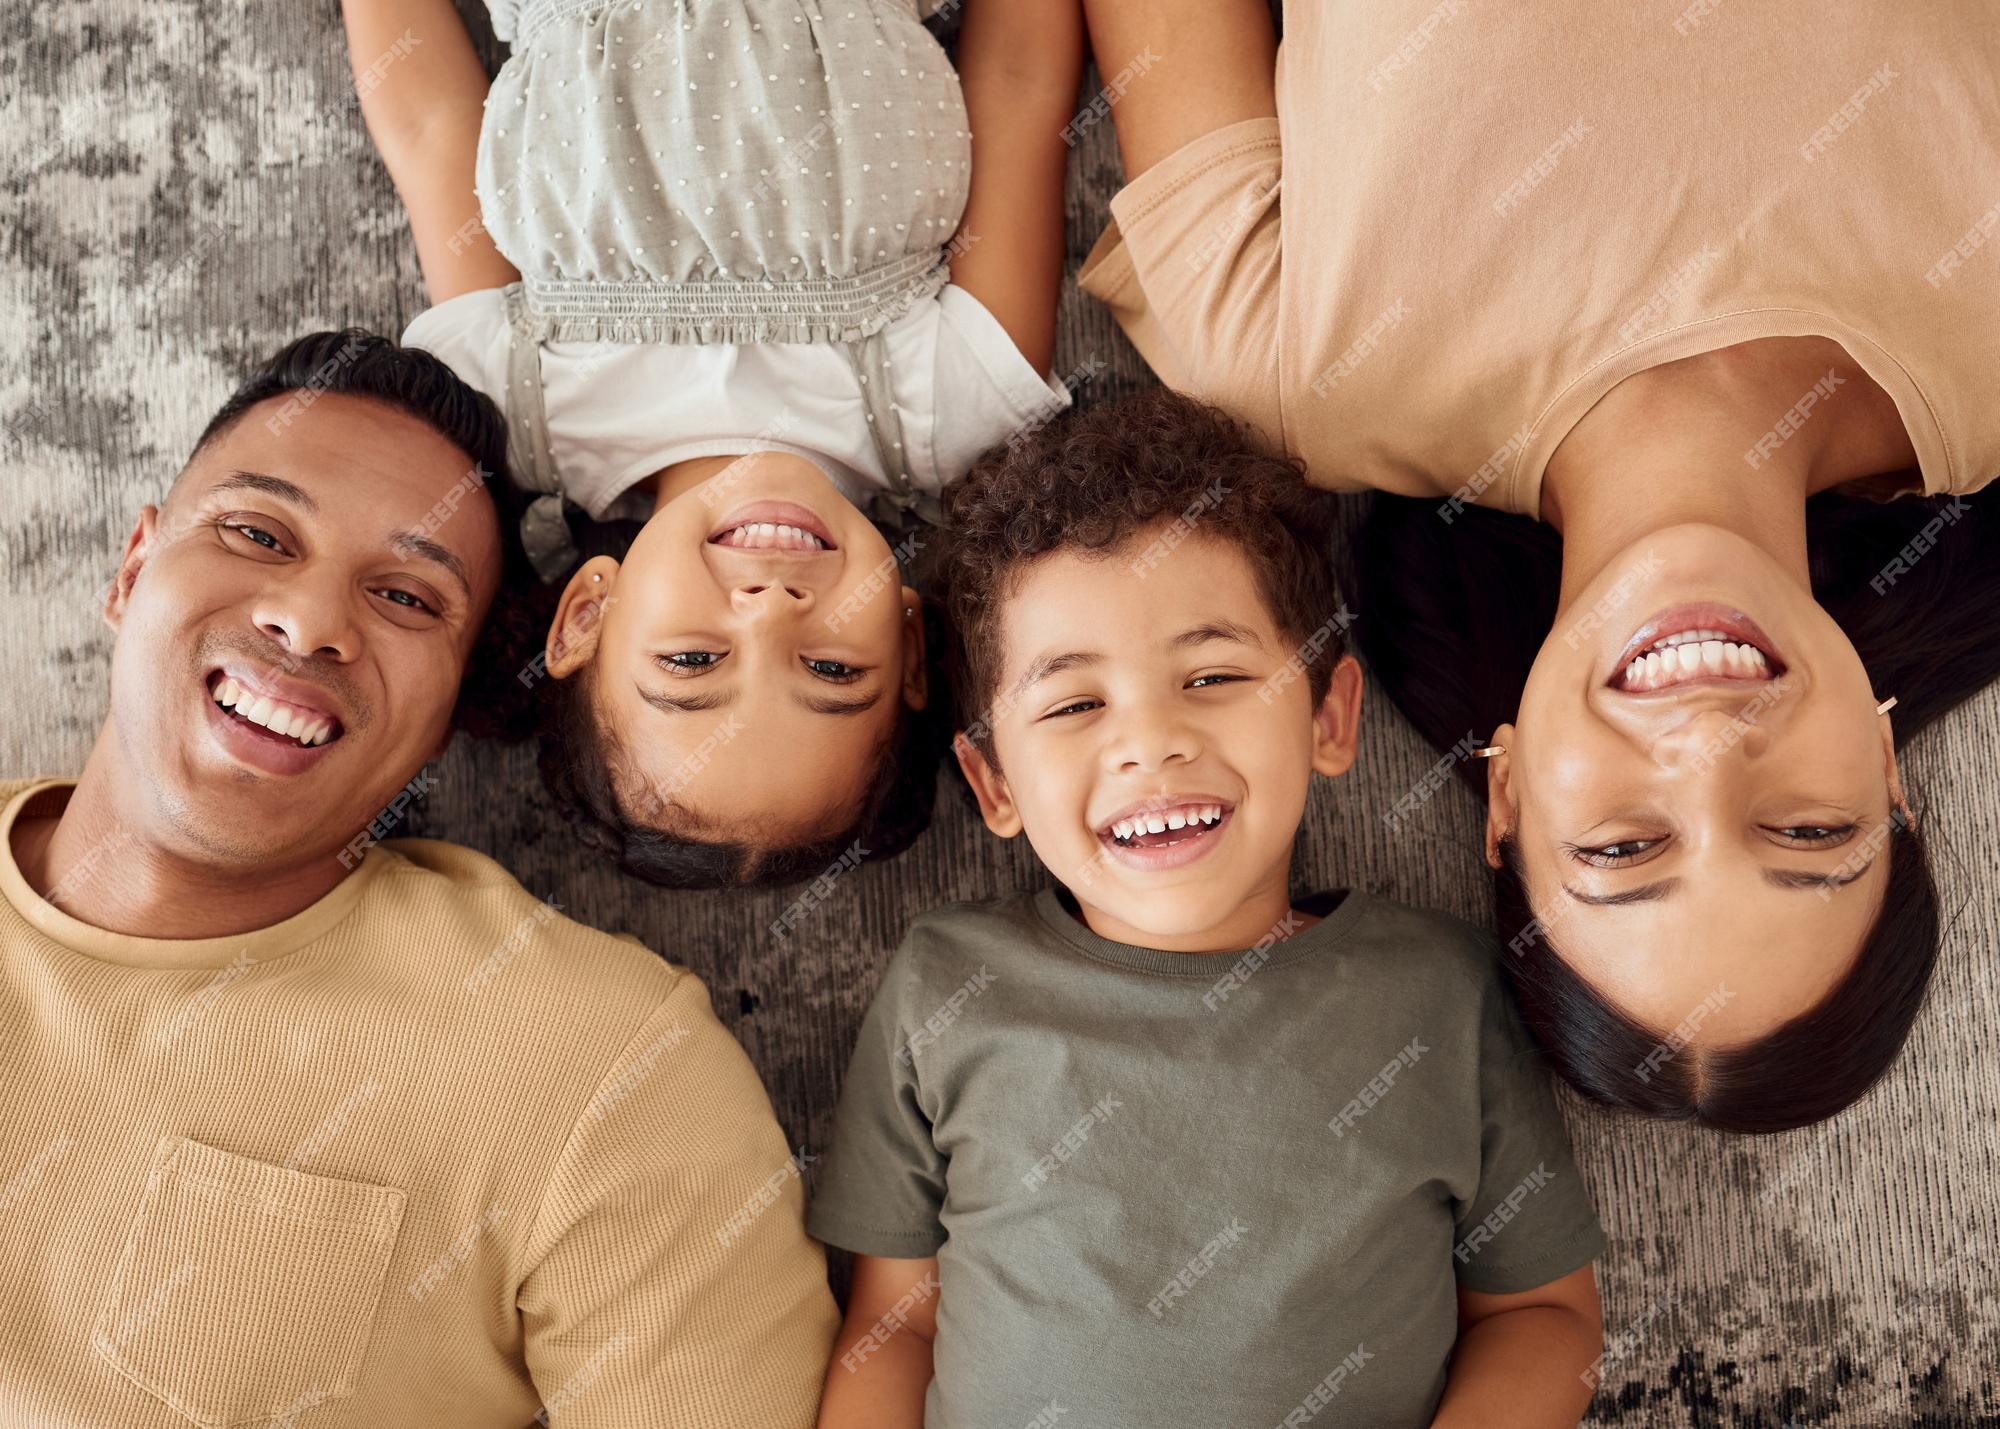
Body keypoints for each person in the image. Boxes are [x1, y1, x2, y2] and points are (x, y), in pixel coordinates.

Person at [1072, 0, 2000, 1130]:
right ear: (1890, 784)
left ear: (1504, 794)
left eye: (1622, 844)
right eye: (1807, 830)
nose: (1709, 747)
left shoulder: (1290, 375)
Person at [0, 331, 836, 1425]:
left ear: (448, 714)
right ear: (131, 569)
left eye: (405, 597)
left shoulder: (599, 1065)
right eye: (256, 532)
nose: (307, 620)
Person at [808, 391, 1606, 1428]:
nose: (1149, 740)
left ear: (1328, 716)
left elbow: (1544, 1316)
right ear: (992, 782)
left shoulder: (1439, 994)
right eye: (1072, 703)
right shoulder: (943, 987)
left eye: (1212, 673)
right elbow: (891, 1328)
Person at [340, 0, 1086, 886]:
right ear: (912, 642)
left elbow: (430, 132)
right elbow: (1019, 87)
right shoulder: (952, 404)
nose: (773, 607)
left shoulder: (514, 407)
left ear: (585, 614)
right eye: (832, 666)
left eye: (693, 659)